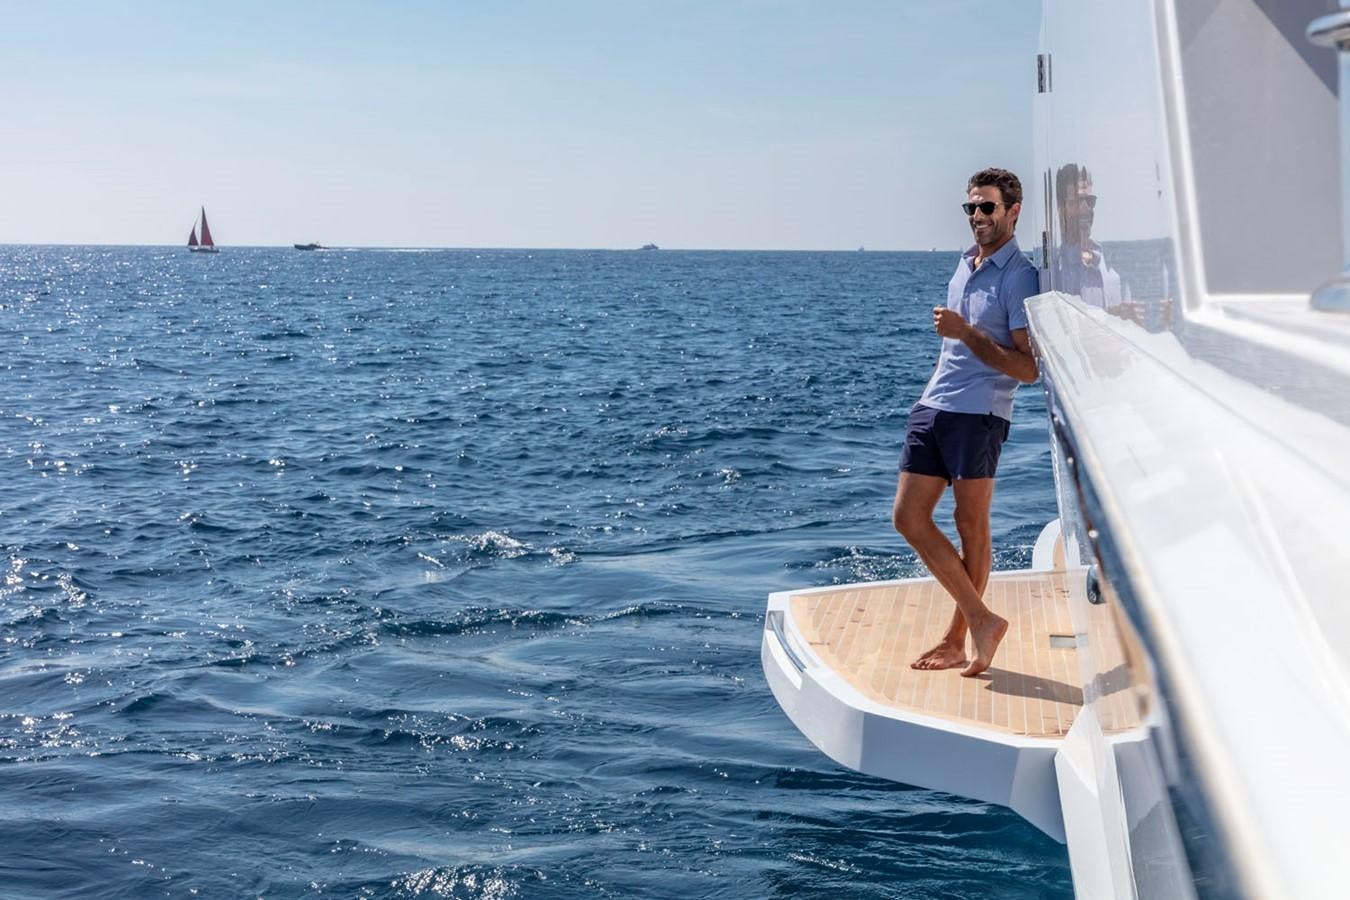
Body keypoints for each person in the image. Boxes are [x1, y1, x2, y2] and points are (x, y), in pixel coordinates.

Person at [892, 167, 1040, 677]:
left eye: (987, 207)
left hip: (980, 414)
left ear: (1013, 211)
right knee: (908, 519)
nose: (977, 216)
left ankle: (960, 638)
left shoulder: (1019, 276)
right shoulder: (964, 263)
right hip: (934, 405)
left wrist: (965, 332)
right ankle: (981, 620)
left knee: (970, 527)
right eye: (971, 207)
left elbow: (1029, 368)